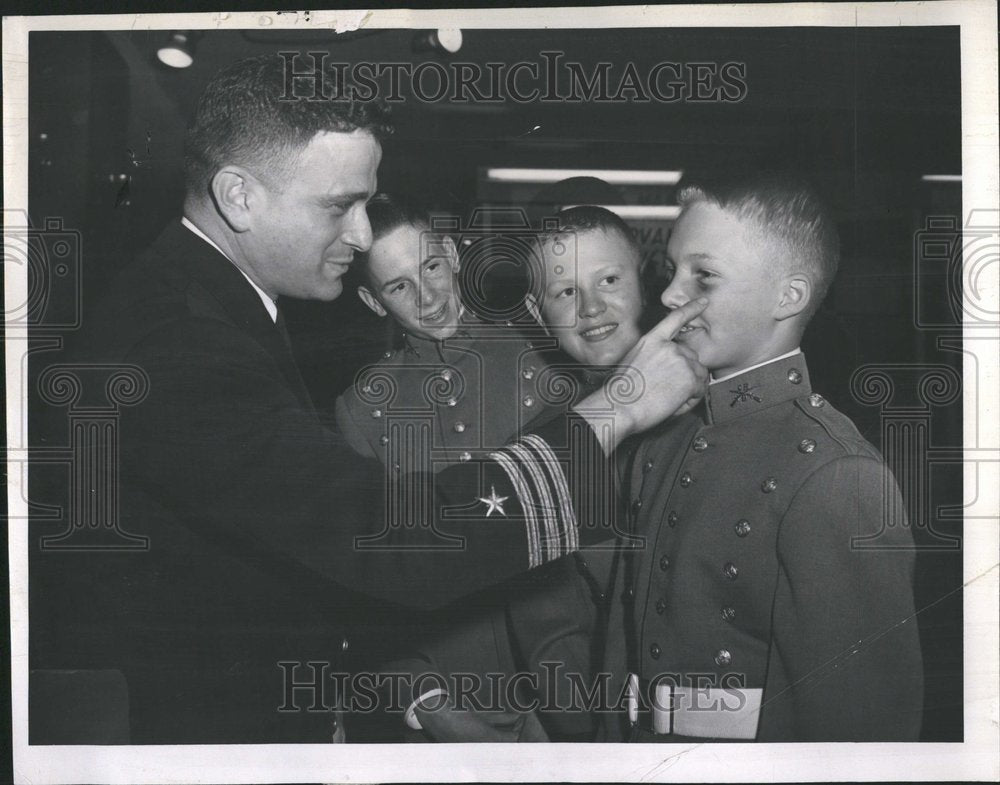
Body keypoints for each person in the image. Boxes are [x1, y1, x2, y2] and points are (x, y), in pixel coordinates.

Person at [38, 53, 708, 743]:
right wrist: (617, 408)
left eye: (365, 201)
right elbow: (389, 537)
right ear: (238, 195)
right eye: (338, 205)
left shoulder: (207, 306)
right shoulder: (178, 341)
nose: (361, 234)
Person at [600, 173, 924, 742]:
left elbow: (862, 734)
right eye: (672, 270)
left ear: (789, 297)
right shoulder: (662, 436)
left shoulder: (834, 473)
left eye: (703, 275)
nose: (672, 295)